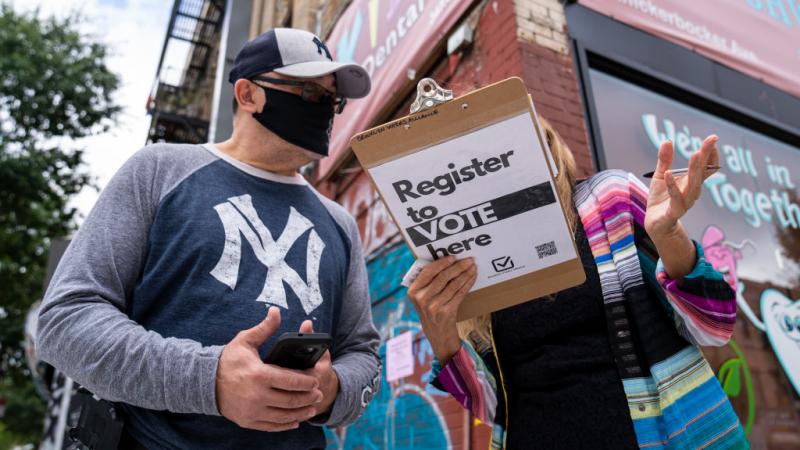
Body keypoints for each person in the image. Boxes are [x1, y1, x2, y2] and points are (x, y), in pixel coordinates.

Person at [37, 28, 381, 449]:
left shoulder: (340, 225)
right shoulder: (158, 172)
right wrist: (210, 380)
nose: (326, 109)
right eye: (310, 94)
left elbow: (362, 354)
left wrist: (331, 391)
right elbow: (65, 320)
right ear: (248, 94)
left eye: (333, 99)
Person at [407, 119, 748, 449]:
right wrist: (442, 337)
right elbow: (494, 409)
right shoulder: (473, 256)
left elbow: (715, 327)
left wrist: (669, 234)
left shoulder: (608, 200)